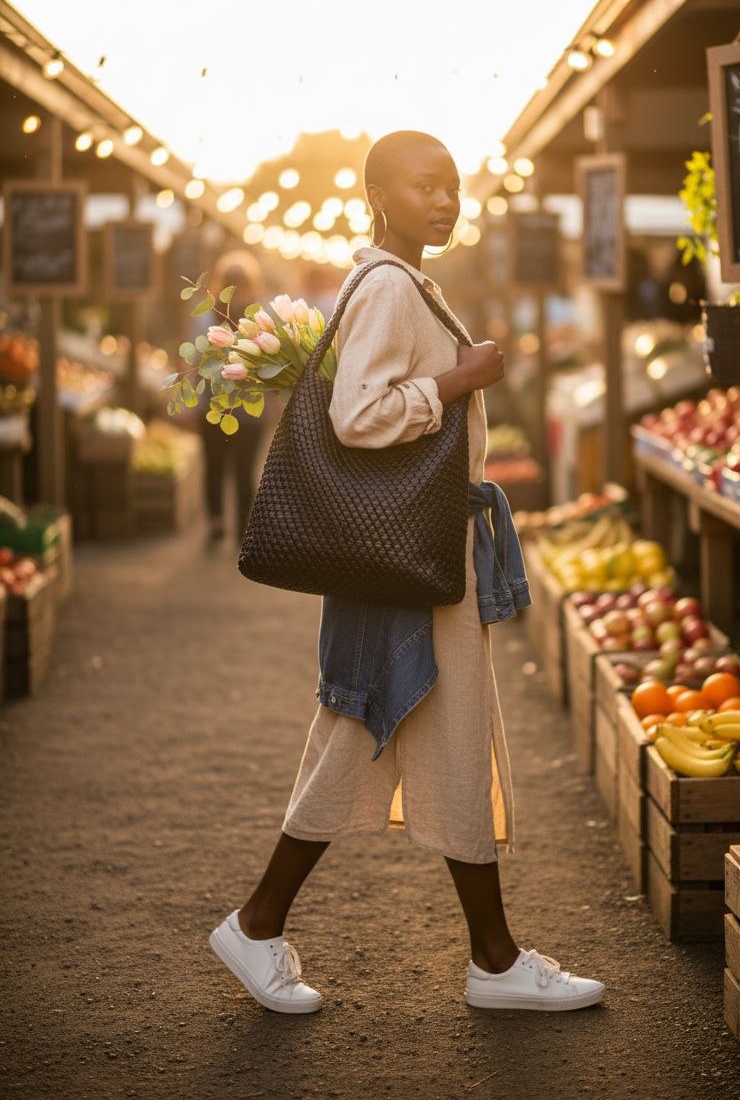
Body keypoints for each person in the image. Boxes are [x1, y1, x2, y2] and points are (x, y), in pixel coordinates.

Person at [209, 131, 605, 1014]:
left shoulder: (400, 280)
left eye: (452, 186)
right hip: (404, 554)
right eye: (424, 186)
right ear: (379, 196)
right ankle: (262, 923)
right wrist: (459, 380)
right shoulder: (388, 285)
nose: (444, 200)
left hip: (418, 553)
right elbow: (359, 415)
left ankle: (491, 960)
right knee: (361, 728)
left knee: (440, 732)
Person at [198, 250, 266, 544]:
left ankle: (222, 523)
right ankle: (239, 527)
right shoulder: (260, 318)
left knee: (219, 466)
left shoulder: (206, 315)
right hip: (241, 408)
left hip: (219, 407)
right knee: (238, 469)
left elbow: (192, 358)